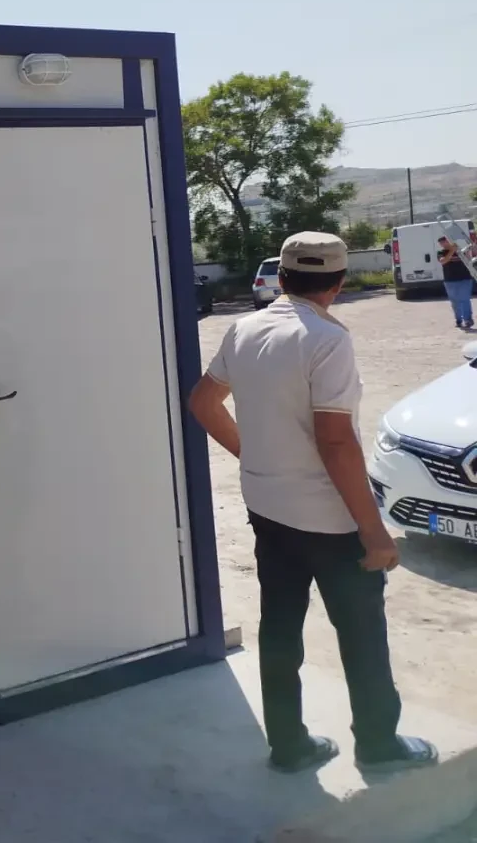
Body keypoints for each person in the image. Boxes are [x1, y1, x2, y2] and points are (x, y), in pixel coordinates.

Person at [188, 231, 437, 774]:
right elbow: (336, 441)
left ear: (281, 277)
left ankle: (288, 745)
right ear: (339, 283)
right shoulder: (327, 339)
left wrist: (252, 453)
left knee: (279, 626)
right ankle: (378, 744)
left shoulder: (245, 328)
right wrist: (373, 530)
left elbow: (204, 402)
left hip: (266, 505)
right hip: (328, 518)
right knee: (362, 633)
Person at [436, 236, 474, 332]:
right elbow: (443, 261)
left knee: (465, 299)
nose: (443, 244)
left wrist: (466, 251)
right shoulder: (441, 253)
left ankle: (468, 320)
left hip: (465, 279)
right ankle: (458, 319)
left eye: (444, 242)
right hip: (450, 281)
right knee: (455, 302)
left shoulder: (461, 251)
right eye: (441, 243)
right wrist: (452, 251)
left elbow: (469, 260)